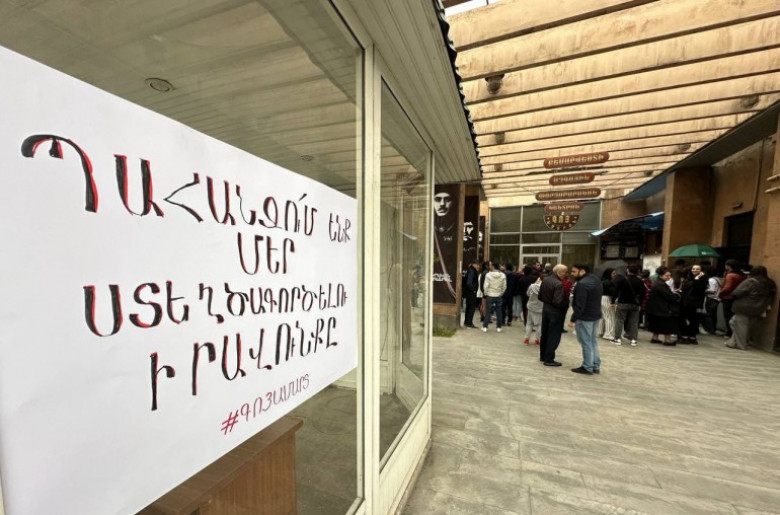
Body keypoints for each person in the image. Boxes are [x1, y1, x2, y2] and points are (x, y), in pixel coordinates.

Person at [726, 265, 776, 349]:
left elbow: (737, 293)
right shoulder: (770, 283)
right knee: (745, 326)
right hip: (759, 307)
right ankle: (732, 342)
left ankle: (741, 344)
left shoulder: (750, 282)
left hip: (744, 306)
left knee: (740, 325)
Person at [568, 264, 603, 375]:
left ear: (582, 271)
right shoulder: (596, 280)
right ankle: (595, 365)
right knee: (592, 341)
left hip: (585, 317)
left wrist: (573, 319)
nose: (572, 274)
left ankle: (587, 366)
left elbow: (580, 304)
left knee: (586, 342)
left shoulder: (582, 284)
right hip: (595, 315)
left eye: (574, 271)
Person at [539, 264, 570, 366]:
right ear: (559, 272)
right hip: (555, 312)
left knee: (545, 333)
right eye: (565, 272)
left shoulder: (546, 280)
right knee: (553, 336)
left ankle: (543, 355)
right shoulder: (558, 284)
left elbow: (540, 296)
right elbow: (558, 302)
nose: (566, 274)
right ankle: (549, 359)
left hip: (546, 309)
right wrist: (566, 304)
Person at [647, 266, 681, 345]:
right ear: (660, 275)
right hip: (663, 308)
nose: (669, 277)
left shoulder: (657, 283)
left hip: (655, 308)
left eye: (669, 275)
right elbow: (669, 296)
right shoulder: (661, 285)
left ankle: (655, 338)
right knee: (667, 324)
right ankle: (667, 340)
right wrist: (677, 295)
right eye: (667, 276)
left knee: (656, 323)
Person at [611, 264, 644, 346]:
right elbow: (642, 294)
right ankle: (633, 339)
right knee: (634, 322)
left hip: (622, 303)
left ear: (628, 270)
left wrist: (613, 301)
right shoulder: (640, 281)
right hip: (635, 304)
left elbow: (616, 291)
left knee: (619, 320)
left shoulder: (622, 280)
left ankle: (617, 338)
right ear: (637, 272)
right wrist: (640, 304)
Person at [679, 265, 707, 344]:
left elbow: (698, 289)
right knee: (684, 319)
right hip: (686, 302)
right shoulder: (689, 278)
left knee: (694, 320)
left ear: (701, 271)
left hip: (694, 303)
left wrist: (697, 278)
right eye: (693, 269)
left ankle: (691, 337)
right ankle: (686, 336)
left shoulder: (703, 279)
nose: (695, 270)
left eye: (697, 269)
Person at [719, 259, 744, 338]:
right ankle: (733, 332)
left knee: (727, 316)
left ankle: (729, 332)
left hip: (727, 297)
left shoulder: (730, 275)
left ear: (729, 266)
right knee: (733, 315)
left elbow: (727, 288)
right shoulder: (742, 275)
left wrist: (720, 293)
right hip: (737, 297)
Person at [481, 261, 507, 332]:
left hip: (490, 295)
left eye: (490, 265)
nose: (489, 266)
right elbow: (504, 286)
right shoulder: (503, 275)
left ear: (493, 266)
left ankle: (485, 326)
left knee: (488, 311)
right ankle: (499, 327)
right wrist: (501, 293)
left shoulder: (488, 275)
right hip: (498, 295)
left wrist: (486, 293)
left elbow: (486, 286)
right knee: (499, 311)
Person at [701, 265, 721, 335]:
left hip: (711, 298)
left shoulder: (711, 280)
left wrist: (703, 290)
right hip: (716, 299)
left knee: (709, 315)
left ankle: (710, 330)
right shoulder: (717, 279)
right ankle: (713, 329)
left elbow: (712, 290)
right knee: (713, 315)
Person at [598, 268, 617, 340]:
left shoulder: (602, 281)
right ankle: (608, 334)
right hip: (608, 298)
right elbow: (612, 292)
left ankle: (600, 331)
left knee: (603, 316)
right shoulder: (609, 282)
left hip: (601, 298)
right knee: (610, 317)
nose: (615, 275)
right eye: (613, 273)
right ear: (609, 274)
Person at [524, 275, 543, 345]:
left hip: (531, 306)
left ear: (539, 279)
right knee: (539, 325)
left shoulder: (532, 286)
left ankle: (526, 339)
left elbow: (528, 294)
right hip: (540, 308)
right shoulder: (546, 287)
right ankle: (537, 340)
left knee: (529, 323)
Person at [463, 260, 480, 328]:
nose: (478, 266)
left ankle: (466, 322)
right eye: (477, 264)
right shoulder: (472, 271)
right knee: (472, 307)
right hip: (471, 292)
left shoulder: (470, 270)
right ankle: (469, 323)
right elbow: (469, 282)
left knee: (468, 307)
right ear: (474, 264)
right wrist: (473, 290)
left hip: (468, 291)